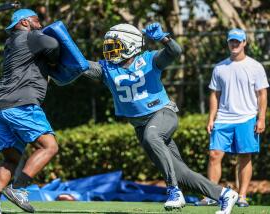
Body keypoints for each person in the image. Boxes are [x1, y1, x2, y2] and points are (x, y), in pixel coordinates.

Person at [82, 22, 238, 214]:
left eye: (115, 46)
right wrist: (58, 51)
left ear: (130, 45)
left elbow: (174, 51)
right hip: (140, 126)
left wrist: (164, 38)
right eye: (109, 46)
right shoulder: (107, 68)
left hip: (162, 113)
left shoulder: (148, 59)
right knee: (181, 173)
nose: (111, 51)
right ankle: (225, 195)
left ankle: (173, 191)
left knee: (153, 137)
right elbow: (80, 64)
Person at [0, 9, 60, 214]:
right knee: (49, 146)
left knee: (11, 159)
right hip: (20, 104)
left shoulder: (11, 43)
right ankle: (19, 188)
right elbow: (52, 45)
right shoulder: (31, 36)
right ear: (25, 22)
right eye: (37, 20)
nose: (40, 24)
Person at [195, 28, 268, 207]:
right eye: (231, 41)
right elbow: (214, 95)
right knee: (214, 155)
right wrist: (211, 118)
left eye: (237, 41)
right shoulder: (219, 68)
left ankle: (242, 196)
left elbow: (262, 94)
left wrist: (261, 118)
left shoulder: (255, 66)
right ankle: (211, 196)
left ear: (244, 43)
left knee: (244, 156)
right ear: (228, 43)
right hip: (223, 118)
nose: (234, 44)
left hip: (247, 118)